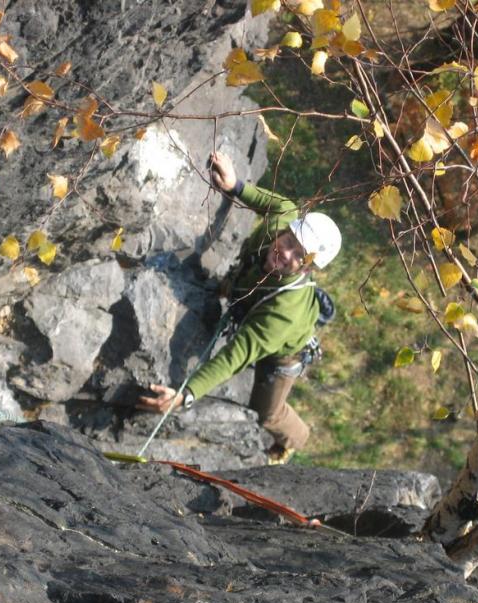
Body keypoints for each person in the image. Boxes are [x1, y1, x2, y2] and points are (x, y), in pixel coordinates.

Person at [137, 151, 342, 464]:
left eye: (299, 256)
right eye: (289, 241)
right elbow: (280, 205)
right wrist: (235, 185)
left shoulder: (283, 315)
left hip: (283, 351)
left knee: (266, 412)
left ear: (308, 268)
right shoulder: (280, 224)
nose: (286, 253)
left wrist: (186, 394)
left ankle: (296, 440)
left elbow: (236, 355)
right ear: (287, 231)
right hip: (248, 294)